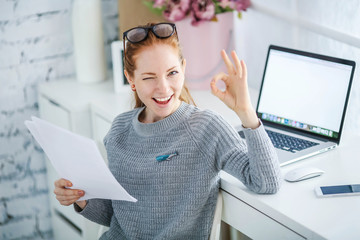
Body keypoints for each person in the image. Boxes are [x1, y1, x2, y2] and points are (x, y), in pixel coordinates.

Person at [53, 22, 281, 239]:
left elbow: (266, 181)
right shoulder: (119, 130)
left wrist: (246, 112)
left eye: (172, 73)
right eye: (149, 77)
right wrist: (81, 198)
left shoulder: (206, 128)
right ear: (131, 79)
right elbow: (116, 216)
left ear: (183, 68)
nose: (163, 88)